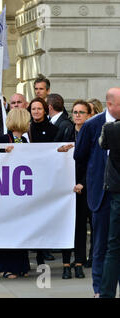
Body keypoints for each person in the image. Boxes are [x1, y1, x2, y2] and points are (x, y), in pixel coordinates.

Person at [74, 87, 119, 297]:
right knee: (101, 243)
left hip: (118, 190)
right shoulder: (93, 125)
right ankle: (99, 289)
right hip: (101, 193)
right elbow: (79, 155)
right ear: (110, 104)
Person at [0, 108, 32, 279]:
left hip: (21, 191)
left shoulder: (25, 140)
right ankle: (5, 266)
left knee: (21, 228)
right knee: (7, 230)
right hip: (5, 191)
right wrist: (4, 153)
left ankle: (22, 265)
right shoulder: (2, 139)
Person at [61, 100, 93, 279]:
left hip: (83, 186)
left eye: (81, 112)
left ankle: (79, 262)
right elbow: (52, 153)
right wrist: (60, 149)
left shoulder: (92, 134)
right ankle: (66, 263)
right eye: (75, 112)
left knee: (81, 226)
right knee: (66, 225)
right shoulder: (66, 131)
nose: (78, 115)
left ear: (88, 115)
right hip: (66, 186)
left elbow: (93, 163)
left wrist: (82, 183)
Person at [27, 97, 58, 263]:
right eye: (33, 109)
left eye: (39, 108)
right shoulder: (27, 129)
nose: (36, 112)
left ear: (45, 110)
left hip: (46, 179)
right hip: (29, 179)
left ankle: (44, 251)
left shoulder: (54, 129)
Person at [99, 105, 120, 298]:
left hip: (117, 194)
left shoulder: (111, 129)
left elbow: (102, 144)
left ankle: (106, 293)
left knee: (113, 246)